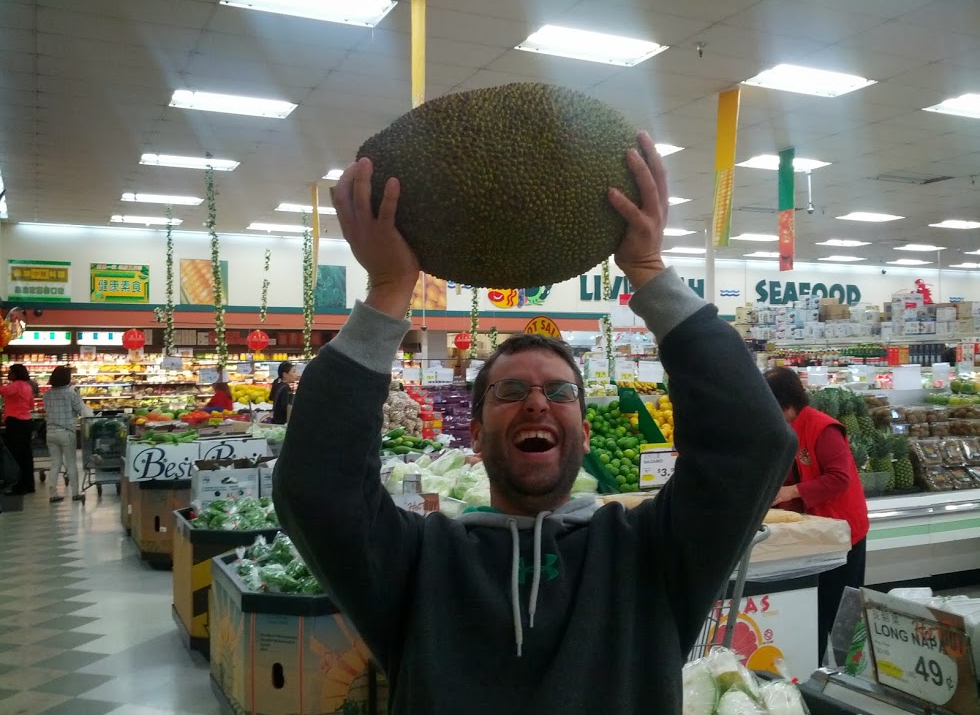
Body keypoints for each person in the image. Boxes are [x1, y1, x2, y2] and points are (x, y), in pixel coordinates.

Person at [274, 135, 797, 714]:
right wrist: (389, 290)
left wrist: (649, 272)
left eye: (560, 391)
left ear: (587, 431)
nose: (537, 403)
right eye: (511, 390)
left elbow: (752, 442)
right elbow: (316, 487)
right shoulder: (418, 564)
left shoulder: (651, 557)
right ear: (473, 434)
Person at [764, 367, 869, 665]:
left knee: (842, 606)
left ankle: (848, 670)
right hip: (814, 533)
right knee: (815, 603)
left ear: (787, 406)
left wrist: (790, 492)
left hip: (843, 531)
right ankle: (817, 667)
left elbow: (840, 479)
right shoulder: (784, 430)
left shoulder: (824, 429)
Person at [42, 366, 92, 502]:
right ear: (67, 378)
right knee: (71, 463)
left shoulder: (46, 394)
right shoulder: (71, 393)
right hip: (66, 432)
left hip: (50, 432)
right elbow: (82, 410)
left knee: (55, 463)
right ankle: (75, 493)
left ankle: (53, 494)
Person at [0, 363, 37, 494]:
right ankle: (29, 484)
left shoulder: (15, 386)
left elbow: (2, 390)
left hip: (15, 422)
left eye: (10, 372)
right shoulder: (27, 386)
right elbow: (31, 405)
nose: (8, 374)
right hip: (26, 422)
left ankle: (18, 486)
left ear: (15, 374)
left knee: (15, 454)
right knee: (26, 454)